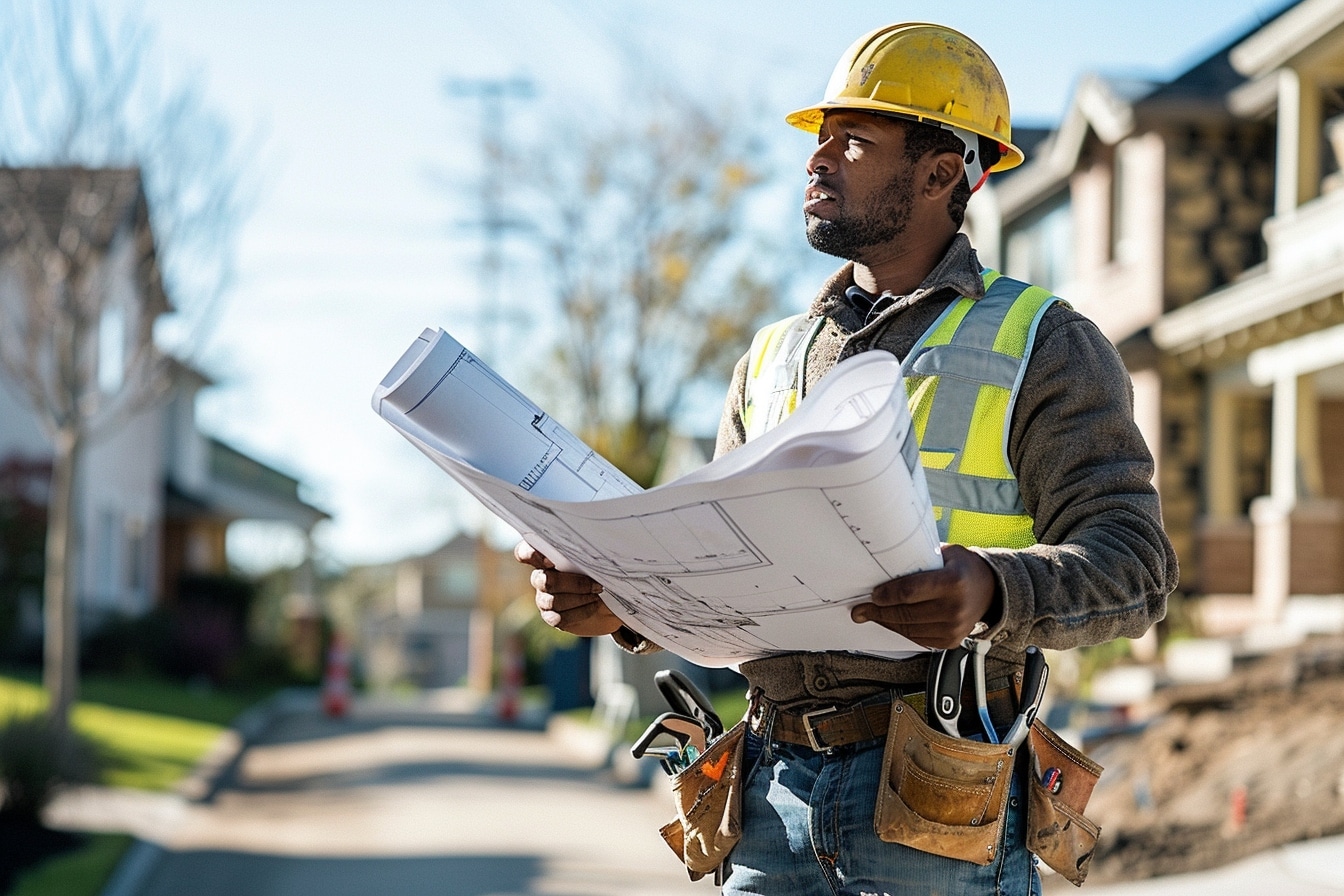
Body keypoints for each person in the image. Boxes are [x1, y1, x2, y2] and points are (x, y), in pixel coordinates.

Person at [517, 22, 1177, 895]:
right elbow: (719, 576)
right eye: (820, 138)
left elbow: (1136, 569)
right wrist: (621, 604)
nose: (816, 160)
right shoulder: (769, 357)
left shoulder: (1047, 345)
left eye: (853, 140)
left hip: (937, 790)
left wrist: (990, 588)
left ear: (942, 173)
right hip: (766, 791)